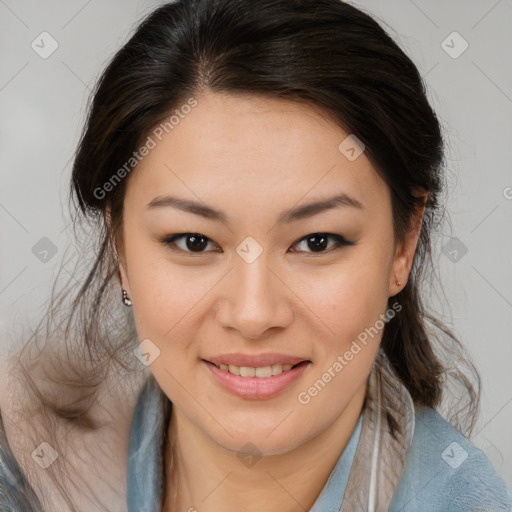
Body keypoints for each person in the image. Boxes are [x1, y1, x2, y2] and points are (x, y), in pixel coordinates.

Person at [0, 0, 511, 511]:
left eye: (317, 241)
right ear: (120, 249)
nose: (253, 314)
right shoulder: (24, 465)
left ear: (404, 243)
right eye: (194, 241)